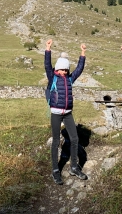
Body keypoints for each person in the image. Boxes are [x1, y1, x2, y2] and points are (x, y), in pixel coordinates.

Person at [45, 39, 88, 185]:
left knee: (75, 139)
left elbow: (79, 69)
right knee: (56, 141)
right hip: (56, 113)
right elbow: (46, 65)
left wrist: (82, 53)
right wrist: (48, 49)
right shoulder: (53, 77)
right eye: (61, 69)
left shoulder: (70, 78)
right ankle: (55, 170)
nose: (64, 72)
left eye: (65, 69)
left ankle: (74, 167)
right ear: (57, 69)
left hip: (68, 113)